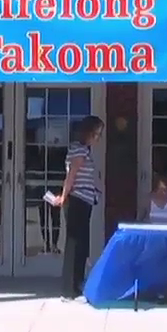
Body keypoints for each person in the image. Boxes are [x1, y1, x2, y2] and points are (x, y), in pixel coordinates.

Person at [50, 115, 104, 299]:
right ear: (87, 132)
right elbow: (71, 175)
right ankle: (69, 288)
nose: (97, 138)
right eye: (96, 134)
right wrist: (64, 197)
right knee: (75, 244)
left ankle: (77, 284)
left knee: (82, 243)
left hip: (86, 199)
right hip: (78, 199)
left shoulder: (85, 151)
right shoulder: (78, 150)